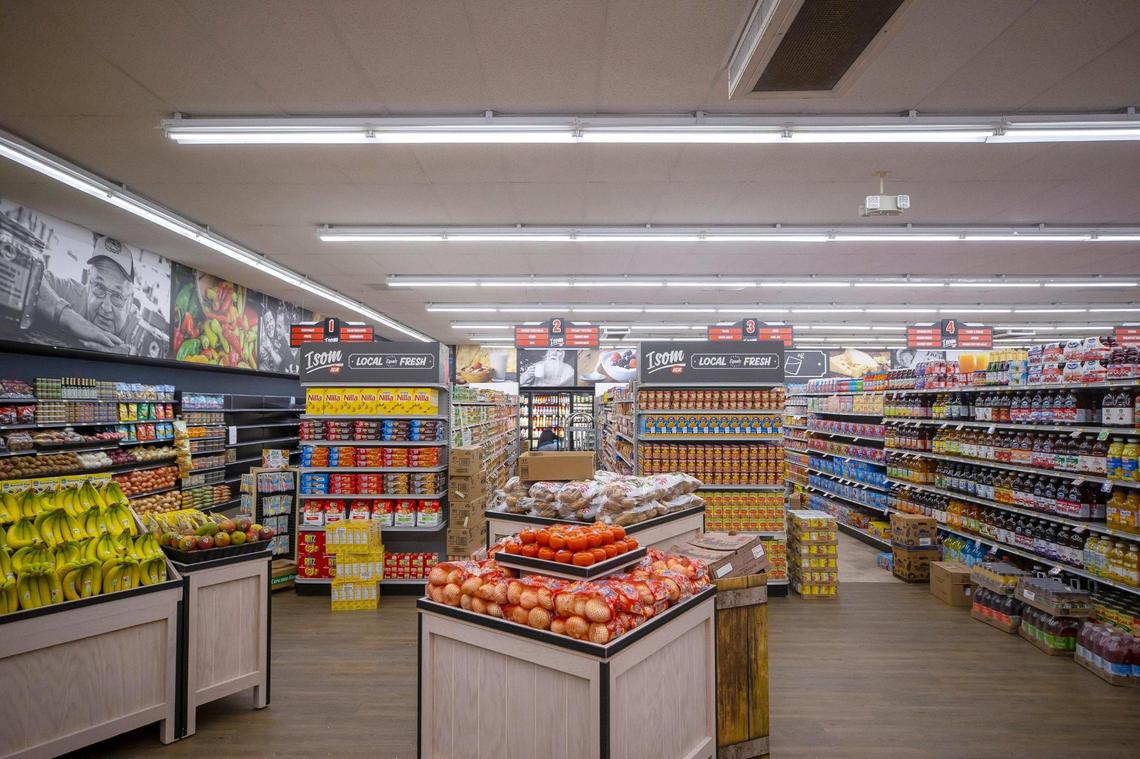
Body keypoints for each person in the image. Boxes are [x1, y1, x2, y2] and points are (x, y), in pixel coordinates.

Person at [35, 235, 139, 354]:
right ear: (88, 283)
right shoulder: (74, 294)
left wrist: (130, 354)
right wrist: (70, 318)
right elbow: (33, 273)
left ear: (130, 301)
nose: (106, 307)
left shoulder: (138, 330)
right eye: (99, 287)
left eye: (117, 296)